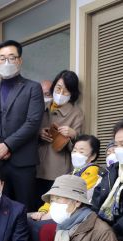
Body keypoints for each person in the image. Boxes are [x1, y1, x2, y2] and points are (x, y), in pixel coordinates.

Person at [0, 40, 44, 211]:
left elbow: (33, 122)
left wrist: (7, 145)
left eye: (12, 58)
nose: (7, 62)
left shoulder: (33, 88)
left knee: (24, 210)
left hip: (23, 163)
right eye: (2, 58)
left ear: (19, 60)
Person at [35, 70, 84, 198]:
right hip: (37, 166)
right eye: (58, 88)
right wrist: (39, 134)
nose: (61, 93)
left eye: (66, 91)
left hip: (58, 169)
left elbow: (80, 147)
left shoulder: (76, 113)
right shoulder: (41, 107)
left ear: (72, 93)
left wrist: (73, 135)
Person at [31, 134, 101, 220]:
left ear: (93, 156)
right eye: (74, 150)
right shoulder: (73, 173)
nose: (76, 154)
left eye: (81, 152)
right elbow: (55, 193)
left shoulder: (93, 170)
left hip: (74, 213)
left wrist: (47, 213)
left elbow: (75, 194)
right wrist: (43, 210)